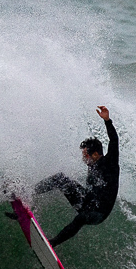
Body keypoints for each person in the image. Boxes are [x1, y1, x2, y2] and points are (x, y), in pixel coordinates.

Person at [33, 106, 119, 248]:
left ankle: (53, 243)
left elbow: (114, 141)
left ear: (96, 154)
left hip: (99, 212)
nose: (83, 158)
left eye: (86, 155)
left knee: (82, 217)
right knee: (60, 178)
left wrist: (107, 121)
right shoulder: (92, 165)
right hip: (88, 202)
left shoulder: (110, 163)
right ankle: (28, 194)